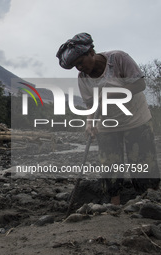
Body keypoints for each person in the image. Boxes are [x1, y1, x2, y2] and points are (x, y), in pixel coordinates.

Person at [56, 32, 160, 205]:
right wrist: (90, 122)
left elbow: (140, 84)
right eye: (75, 66)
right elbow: (91, 104)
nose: (79, 68)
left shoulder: (118, 59)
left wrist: (113, 94)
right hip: (108, 125)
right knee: (110, 165)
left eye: (80, 62)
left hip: (136, 120)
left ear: (91, 52)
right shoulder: (83, 78)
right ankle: (114, 206)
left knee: (143, 163)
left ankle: (150, 202)